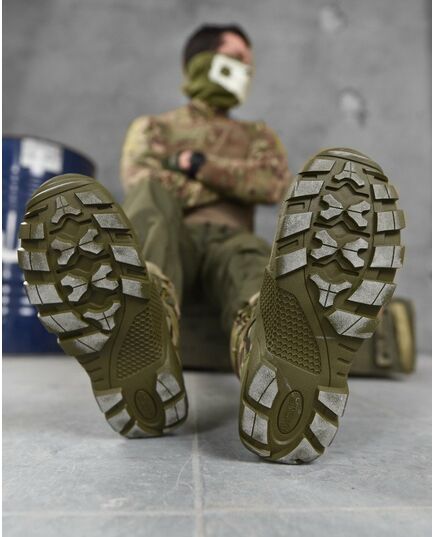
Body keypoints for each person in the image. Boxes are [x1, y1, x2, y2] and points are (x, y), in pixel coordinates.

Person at [18, 24, 411, 463]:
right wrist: (227, 183)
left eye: (249, 64)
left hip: (230, 239)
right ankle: (145, 317)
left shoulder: (258, 134)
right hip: (172, 237)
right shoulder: (153, 127)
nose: (246, 70)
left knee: (254, 266)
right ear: (201, 61)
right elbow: (143, 179)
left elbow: (272, 184)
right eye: (236, 59)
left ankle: (269, 343)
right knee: (151, 201)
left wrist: (194, 165)